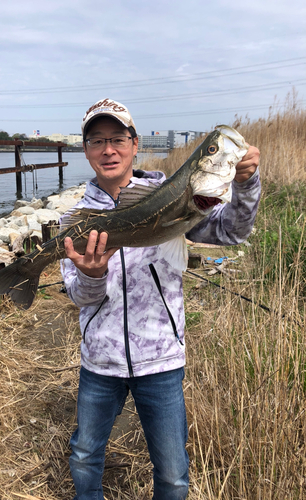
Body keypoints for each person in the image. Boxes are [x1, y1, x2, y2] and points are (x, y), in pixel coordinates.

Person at [61, 98, 261, 499]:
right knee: (84, 455)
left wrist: (244, 184)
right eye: (97, 141)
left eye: (117, 138)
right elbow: (80, 296)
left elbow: (232, 231)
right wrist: (92, 274)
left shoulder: (173, 194)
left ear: (135, 144)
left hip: (162, 358)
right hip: (100, 360)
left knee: (172, 473)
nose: (108, 149)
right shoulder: (79, 218)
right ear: (86, 151)